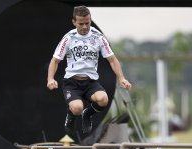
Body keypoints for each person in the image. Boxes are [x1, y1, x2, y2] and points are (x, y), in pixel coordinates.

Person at [47, 5, 132, 134]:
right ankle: (70, 116)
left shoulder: (98, 37)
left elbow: (113, 60)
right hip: (72, 82)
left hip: (90, 82)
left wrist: (122, 78)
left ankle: (88, 114)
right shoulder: (68, 38)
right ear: (74, 22)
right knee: (77, 108)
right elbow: (55, 60)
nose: (85, 27)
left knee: (103, 99)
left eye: (87, 23)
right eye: (81, 24)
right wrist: (50, 79)